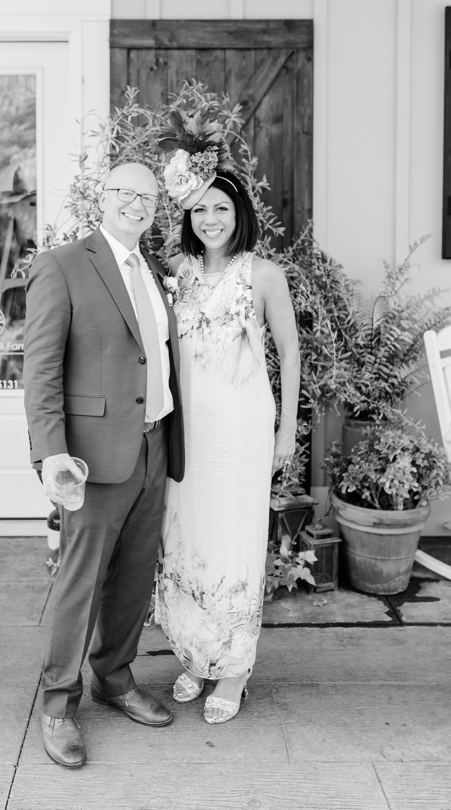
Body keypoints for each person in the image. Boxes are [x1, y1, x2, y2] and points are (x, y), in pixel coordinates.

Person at [23, 162, 185, 768]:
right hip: (91, 455)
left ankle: (114, 679)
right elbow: (41, 370)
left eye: (148, 197)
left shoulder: (154, 271)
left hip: (155, 443)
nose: (137, 204)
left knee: (135, 575)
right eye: (125, 193)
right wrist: (51, 452)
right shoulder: (62, 264)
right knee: (81, 580)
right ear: (104, 198)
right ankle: (57, 704)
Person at [157, 170, 299, 723]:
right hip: (187, 431)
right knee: (188, 538)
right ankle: (198, 655)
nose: (210, 219)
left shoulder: (263, 275)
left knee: (234, 541)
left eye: (220, 208)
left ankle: (235, 667)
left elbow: (289, 352)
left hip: (241, 429)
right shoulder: (178, 271)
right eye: (199, 210)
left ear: (239, 212)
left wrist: (286, 431)